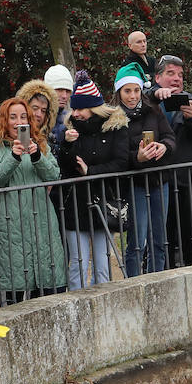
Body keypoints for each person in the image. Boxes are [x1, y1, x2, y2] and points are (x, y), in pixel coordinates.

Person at [0, 96, 67, 304]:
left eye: (23, 116)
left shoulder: (40, 143)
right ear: (4, 120)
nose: (18, 121)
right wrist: (13, 157)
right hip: (12, 225)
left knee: (48, 287)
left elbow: (54, 175)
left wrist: (37, 157)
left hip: (42, 222)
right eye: (13, 117)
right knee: (15, 287)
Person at [56, 71, 128, 290]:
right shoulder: (69, 129)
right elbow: (65, 167)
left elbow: (122, 162)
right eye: (74, 108)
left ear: (94, 107)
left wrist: (91, 171)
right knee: (77, 264)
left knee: (101, 264)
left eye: (80, 109)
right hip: (75, 205)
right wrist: (66, 145)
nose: (75, 113)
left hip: (102, 203)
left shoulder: (116, 127)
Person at [150, 55, 192, 267]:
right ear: (157, 77)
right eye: (170, 74)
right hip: (160, 180)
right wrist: (154, 95)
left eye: (180, 75)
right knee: (164, 235)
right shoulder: (150, 102)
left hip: (189, 180)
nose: (177, 79)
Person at [115, 64, 175, 277]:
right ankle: (133, 285)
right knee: (137, 242)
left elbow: (170, 137)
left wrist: (164, 147)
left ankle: (157, 281)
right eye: (127, 91)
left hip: (160, 180)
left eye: (136, 90)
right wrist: (137, 158)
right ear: (119, 92)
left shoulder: (154, 110)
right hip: (135, 185)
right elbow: (116, 156)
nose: (132, 96)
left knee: (159, 240)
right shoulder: (114, 118)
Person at [44, 64, 75, 153]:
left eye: (68, 91)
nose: (64, 96)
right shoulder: (33, 117)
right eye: (60, 90)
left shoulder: (71, 120)